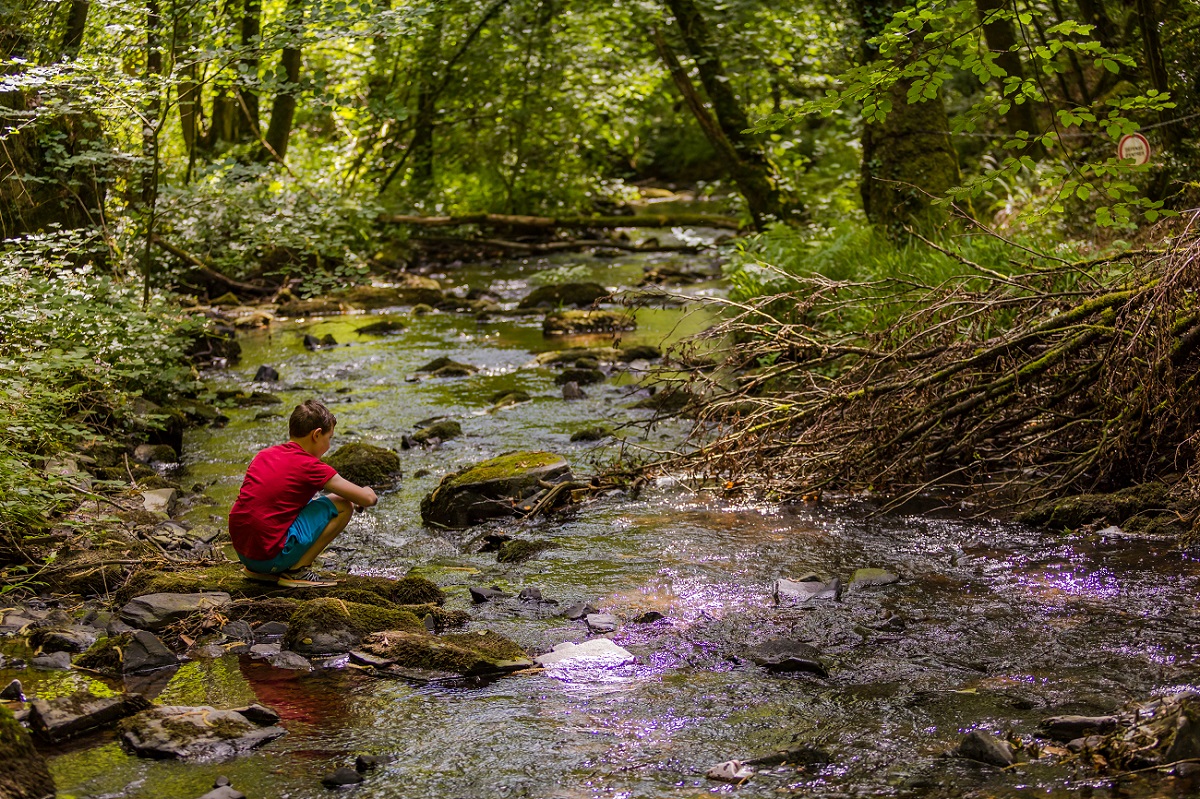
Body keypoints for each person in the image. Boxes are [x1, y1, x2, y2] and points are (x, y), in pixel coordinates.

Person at [229, 399, 377, 588]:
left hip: (245, 554)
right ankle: (297, 570)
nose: (329, 445)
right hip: (269, 557)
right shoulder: (311, 466)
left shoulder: (264, 455)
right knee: (342, 505)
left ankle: (260, 570)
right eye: (329, 438)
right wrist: (367, 490)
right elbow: (368, 499)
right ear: (316, 434)